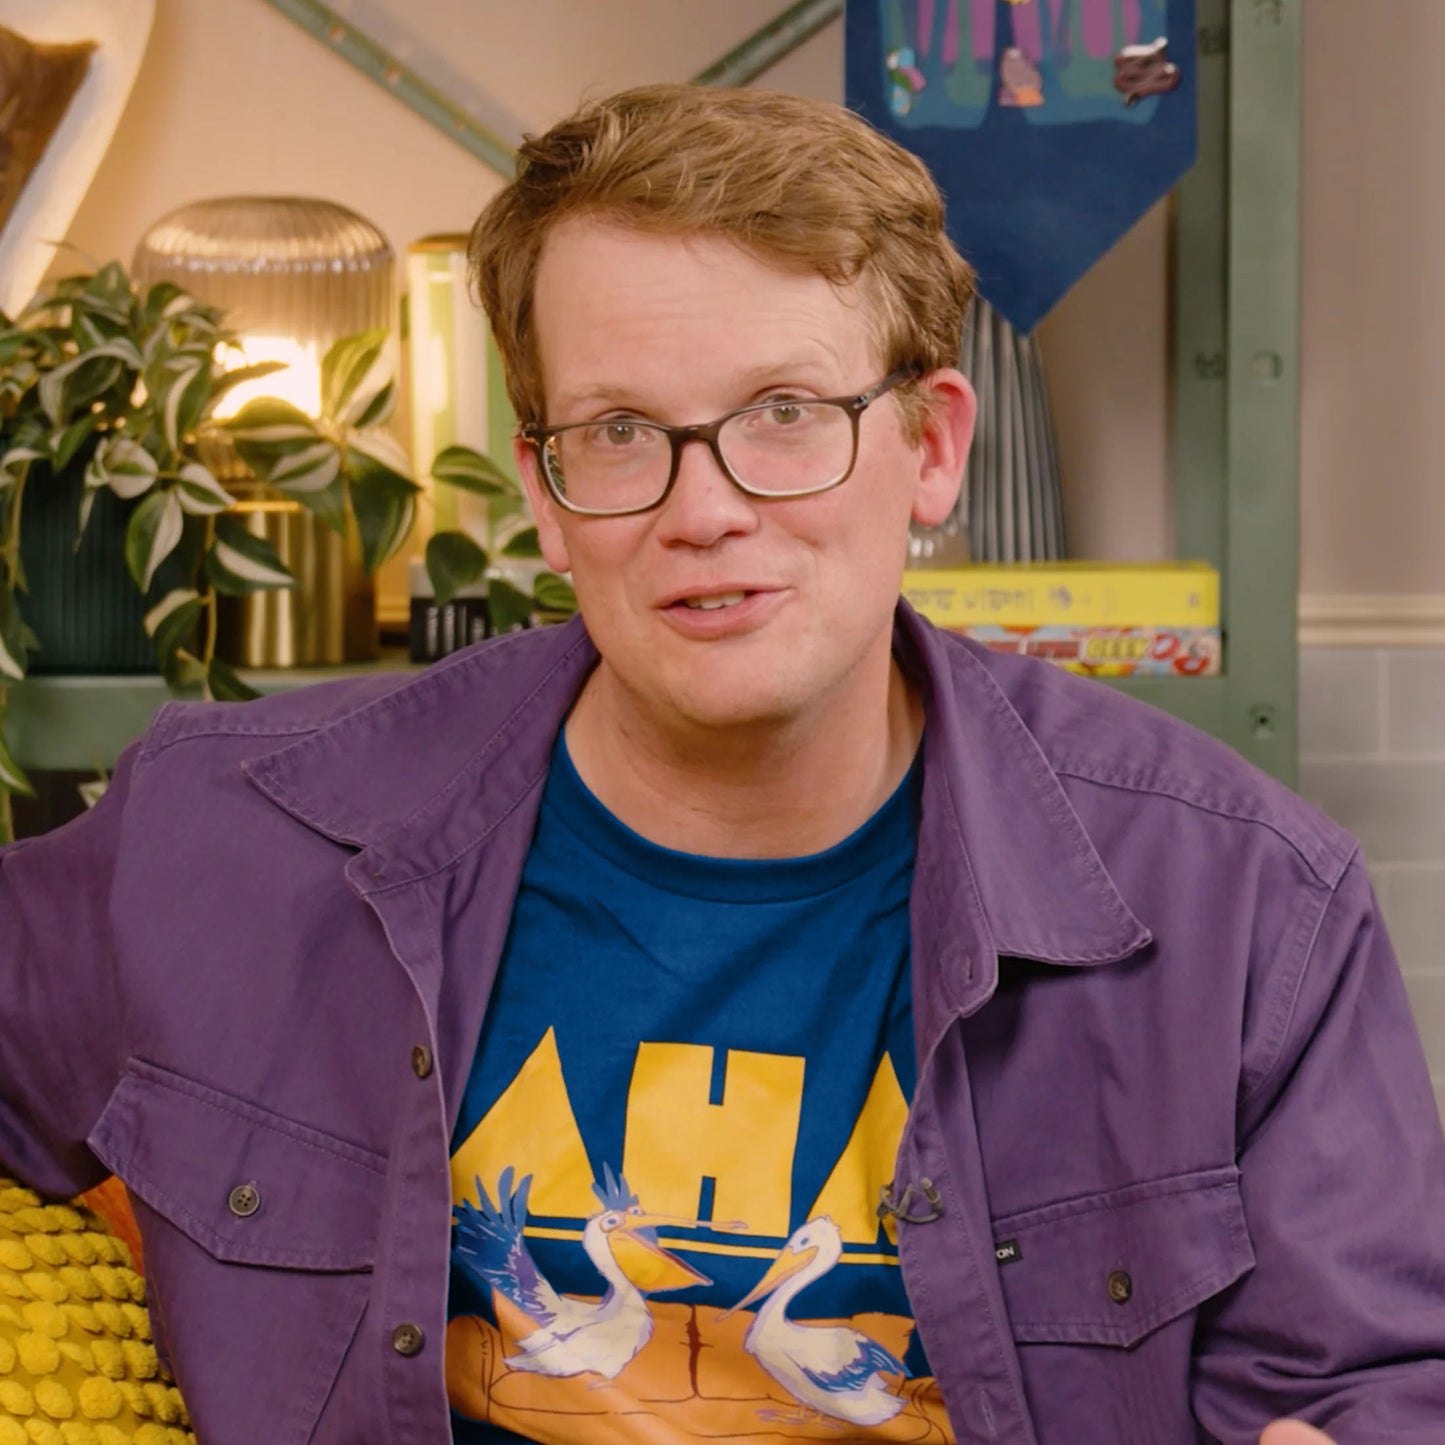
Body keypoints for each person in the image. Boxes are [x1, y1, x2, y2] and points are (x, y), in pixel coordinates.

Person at [0, 84, 1440, 1445]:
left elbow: (1367, 1385)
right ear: (547, 495)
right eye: (621, 433)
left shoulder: (1246, 902)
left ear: (930, 451)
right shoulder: (226, 836)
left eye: (785, 417)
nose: (707, 509)